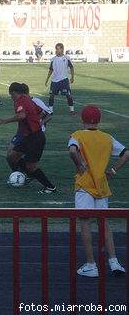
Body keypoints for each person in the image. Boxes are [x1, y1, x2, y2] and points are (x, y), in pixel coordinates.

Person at [68, 105, 127, 277]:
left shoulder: (77, 135)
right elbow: (126, 153)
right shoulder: (107, 138)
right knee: (104, 224)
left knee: (85, 223)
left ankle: (91, 264)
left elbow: (72, 150)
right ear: (99, 120)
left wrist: (80, 165)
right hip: (101, 186)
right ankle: (114, 261)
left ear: (82, 119)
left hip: (85, 186)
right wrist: (113, 170)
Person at [0, 82, 56, 194]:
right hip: (28, 136)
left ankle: (50, 187)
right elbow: (42, 112)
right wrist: (34, 120)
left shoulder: (19, 101)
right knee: (11, 157)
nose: (11, 97)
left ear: (14, 92)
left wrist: (5, 121)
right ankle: (24, 176)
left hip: (36, 137)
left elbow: (22, 115)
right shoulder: (28, 99)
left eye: (11, 95)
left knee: (31, 167)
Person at [45, 43, 75, 115]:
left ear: (62, 49)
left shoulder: (66, 58)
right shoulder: (53, 59)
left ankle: (72, 110)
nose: (58, 50)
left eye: (59, 49)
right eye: (57, 49)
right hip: (54, 81)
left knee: (68, 95)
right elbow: (51, 70)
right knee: (51, 96)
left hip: (64, 80)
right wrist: (47, 80)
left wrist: (72, 77)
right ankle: (50, 110)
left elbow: (71, 67)